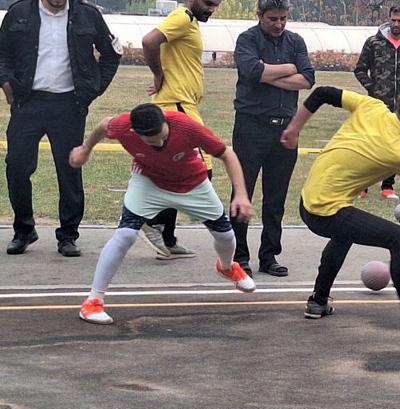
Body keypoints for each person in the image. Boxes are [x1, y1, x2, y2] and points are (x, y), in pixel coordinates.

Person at [280, 82, 400, 338]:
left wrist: (294, 129)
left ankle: (318, 301)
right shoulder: (399, 154)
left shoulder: (371, 106)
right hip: (326, 213)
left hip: (307, 201)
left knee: (345, 233)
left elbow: (323, 93)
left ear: (398, 99)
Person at [70, 104, 255, 325]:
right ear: (135, 132)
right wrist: (85, 149)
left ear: (166, 122)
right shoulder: (123, 126)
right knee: (125, 235)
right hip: (149, 182)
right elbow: (104, 124)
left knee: (225, 236)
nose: (159, 144)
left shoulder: (186, 127)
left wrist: (241, 194)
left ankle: (226, 268)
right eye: (151, 141)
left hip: (193, 184)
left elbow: (227, 154)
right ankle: (93, 302)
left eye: (162, 137)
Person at [0, 0, 121, 256]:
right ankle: (24, 230)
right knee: (17, 166)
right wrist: (6, 82)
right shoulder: (19, 12)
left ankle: (68, 235)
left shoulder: (88, 15)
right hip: (27, 102)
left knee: (69, 170)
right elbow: (2, 53)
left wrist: (94, 88)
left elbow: (112, 53)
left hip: (69, 105)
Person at [230, 0, 315, 277]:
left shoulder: (295, 41)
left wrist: (268, 74)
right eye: (272, 19)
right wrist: (290, 68)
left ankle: (269, 256)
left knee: (275, 198)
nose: (279, 24)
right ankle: (239, 256)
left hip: (285, 130)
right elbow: (252, 72)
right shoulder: (247, 40)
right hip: (250, 127)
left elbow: (307, 79)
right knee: (242, 193)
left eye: (283, 19)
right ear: (260, 15)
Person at [139, 0, 223, 260]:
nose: (211, 9)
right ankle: (152, 222)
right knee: (201, 169)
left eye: (216, 4)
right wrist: (158, 74)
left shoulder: (190, 21)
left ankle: (167, 237)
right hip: (177, 106)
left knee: (177, 170)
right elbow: (149, 41)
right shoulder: (183, 17)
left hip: (183, 105)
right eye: (208, 3)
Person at [354, 4, 400, 200]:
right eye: (393, 20)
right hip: (377, 105)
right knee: (371, 144)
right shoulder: (373, 43)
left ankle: (388, 186)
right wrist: (373, 88)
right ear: (388, 19)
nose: (396, 24)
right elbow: (360, 69)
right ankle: (363, 185)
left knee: (394, 147)